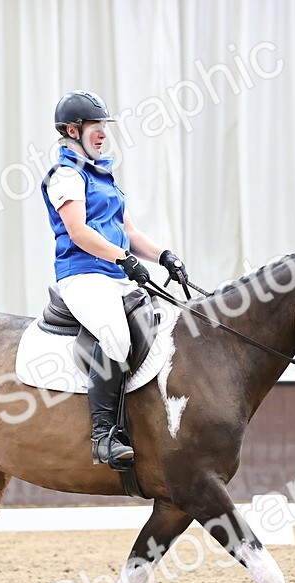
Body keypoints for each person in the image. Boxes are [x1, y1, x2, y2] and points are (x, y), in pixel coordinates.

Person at [41, 90, 190, 469]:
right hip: (83, 275)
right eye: (96, 126)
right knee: (116, 336)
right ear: (72, 131)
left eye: (104, 125)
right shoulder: (66, 176)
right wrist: (123, 258)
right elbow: (78, 232)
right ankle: (103, 436)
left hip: (113, 273)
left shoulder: (100, 173)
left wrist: (163, 257)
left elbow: (129, 231)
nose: (103, 132)